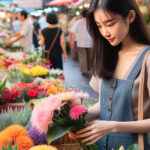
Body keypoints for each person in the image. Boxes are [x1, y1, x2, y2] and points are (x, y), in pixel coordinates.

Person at [69, 0, 150, 149]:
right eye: (99, 26)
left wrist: (113, 126)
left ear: (131, 17)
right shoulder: (105, 55)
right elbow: (103, 104)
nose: (105, 32)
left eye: (110, 24)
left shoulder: (147, 58)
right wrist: (72, 119)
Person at [71, 10, 93, 76]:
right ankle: (89, 69)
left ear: (81, 15)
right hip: (90, 42)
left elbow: (73, 32)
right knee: (90, 57)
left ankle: (84, 71)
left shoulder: (78, 22)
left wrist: (72, 41)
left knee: (82, 57)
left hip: (80, 43)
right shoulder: (92, 22)